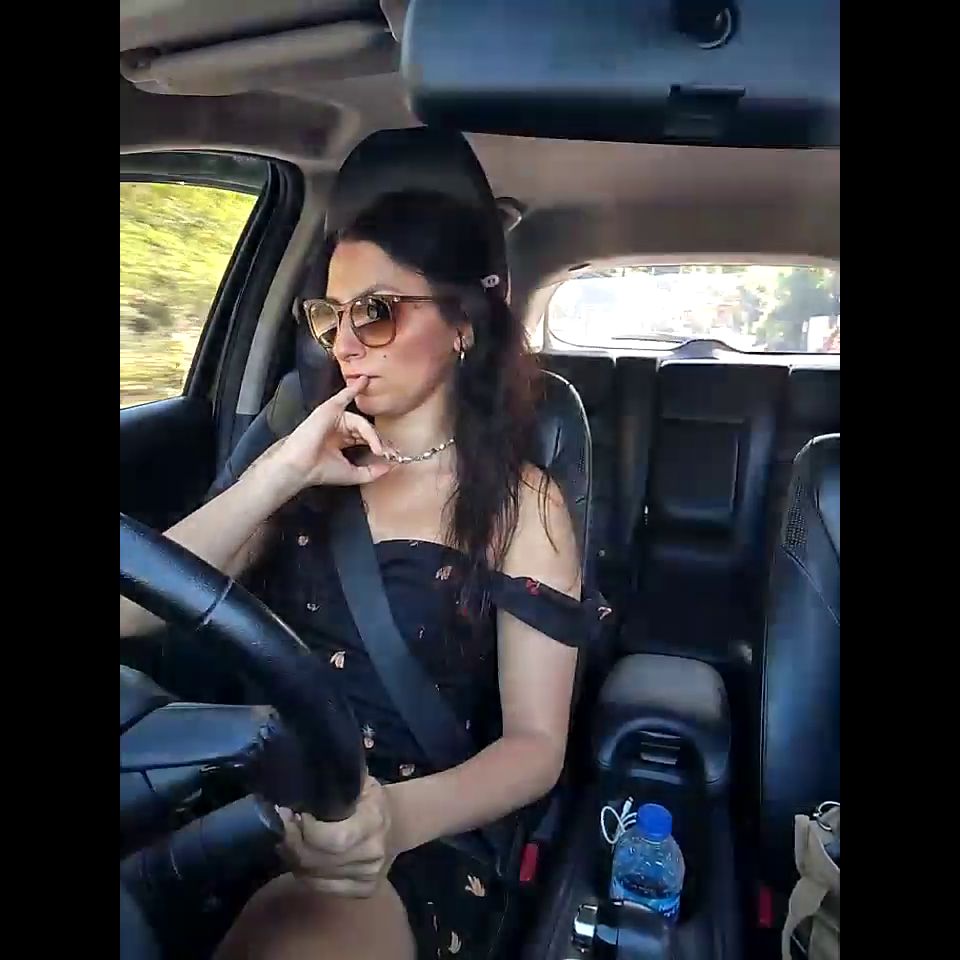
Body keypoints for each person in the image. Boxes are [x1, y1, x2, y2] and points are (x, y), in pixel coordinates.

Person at [120, 191, 605, 959]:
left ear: (461, 327)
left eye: (376, 311)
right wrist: (279, 472)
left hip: (402, 838)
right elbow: (132, 612)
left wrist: (394, 820)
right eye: (330, 316)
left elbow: (536, 746)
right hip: (240, 786)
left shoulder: (524, 506)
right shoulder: (300, 463)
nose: (344, 342)